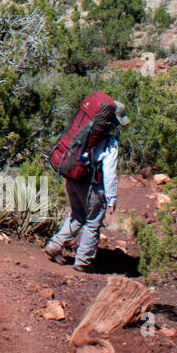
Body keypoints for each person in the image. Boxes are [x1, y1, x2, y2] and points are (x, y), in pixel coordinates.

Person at [44, 101, 129, 272]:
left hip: (73, 179)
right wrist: (111, 198)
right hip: (92, 187)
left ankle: (55, 245)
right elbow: (110, 174)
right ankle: (83, 261)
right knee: (93, 222)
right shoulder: (109, 143)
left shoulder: (83, 132)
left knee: (77, 215)